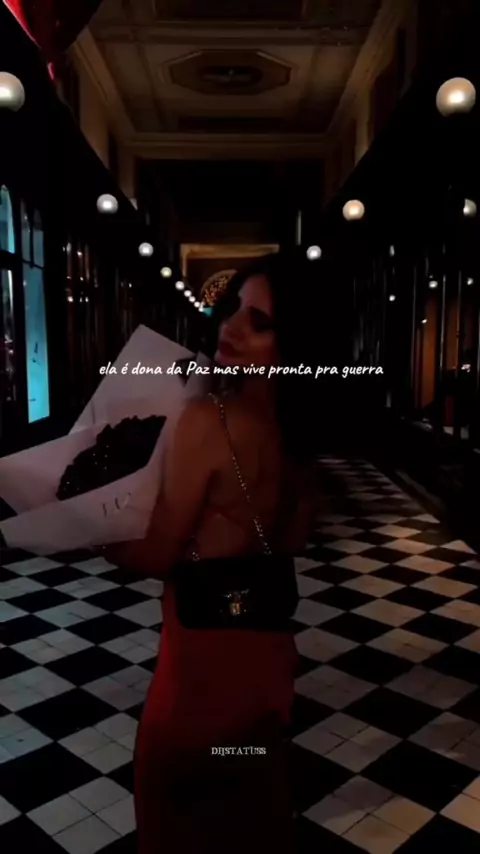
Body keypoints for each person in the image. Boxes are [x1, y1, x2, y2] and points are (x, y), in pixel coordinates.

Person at [104, 251, 321, 854]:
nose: (232, 328)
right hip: (266, 679)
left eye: (260, 322)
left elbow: (153, 555)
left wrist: (82, 526)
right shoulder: (303, 442)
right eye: (233, 310)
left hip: (198, 687)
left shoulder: (211, 420)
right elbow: (292, 539)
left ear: (295, 344)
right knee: (250, 824)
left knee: (176, 828)